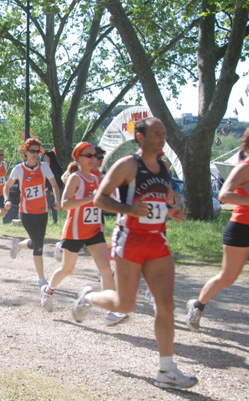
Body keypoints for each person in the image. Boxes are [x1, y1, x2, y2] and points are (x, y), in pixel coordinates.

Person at [71, 117, 197, 390]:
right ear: (140, 137)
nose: (162, 138)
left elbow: (162, 199)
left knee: (165, 305)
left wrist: (171, 209)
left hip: (157, 241)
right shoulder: (128, 164)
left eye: (163, 134)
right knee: (125, 305)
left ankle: (166, 369)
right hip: (130, 241)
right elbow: (99, 198)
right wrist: (128, 210)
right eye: (156, 134)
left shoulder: (163, 167)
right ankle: (88, 297)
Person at [41, 142, 127, 326]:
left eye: (95, 156)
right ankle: (48, 290)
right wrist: (91, 198)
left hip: (94, 230)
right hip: (75, 231)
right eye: (89, 156)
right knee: (67, 269)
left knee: (106, 269)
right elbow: (65, 204)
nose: (93, 159)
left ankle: (110, 312)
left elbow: (102, 201)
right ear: (78, 158)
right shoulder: (75, 178)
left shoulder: (97, 178)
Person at [186, 129, 249, 332]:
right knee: (227, 277)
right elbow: (224, 194)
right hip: (241, 228)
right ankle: (197, 306)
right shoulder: (244, 168)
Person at [3, 138, 61, 289]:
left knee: (36, 242)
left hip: (42, 211)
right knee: (39, 244)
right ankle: (41, 278)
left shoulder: (44, 167)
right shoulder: (19, 169)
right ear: (25, 153)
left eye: (37, 151)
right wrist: (6, 200)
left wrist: (57, 200)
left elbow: (54, 185)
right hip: (27, 213)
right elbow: (6, 186)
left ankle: (18, 244)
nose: (35, 154)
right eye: (32, 151)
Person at [44, 149, 64, 225]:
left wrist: (54, 190)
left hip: (51, 189)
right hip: (47, 189)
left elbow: (57, 180)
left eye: (45, 156)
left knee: (51, 206)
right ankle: (49, 220)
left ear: (49, 157)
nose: (44, 158)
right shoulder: (47, 166)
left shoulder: (54, 167)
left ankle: (54, 220)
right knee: (47, 205)